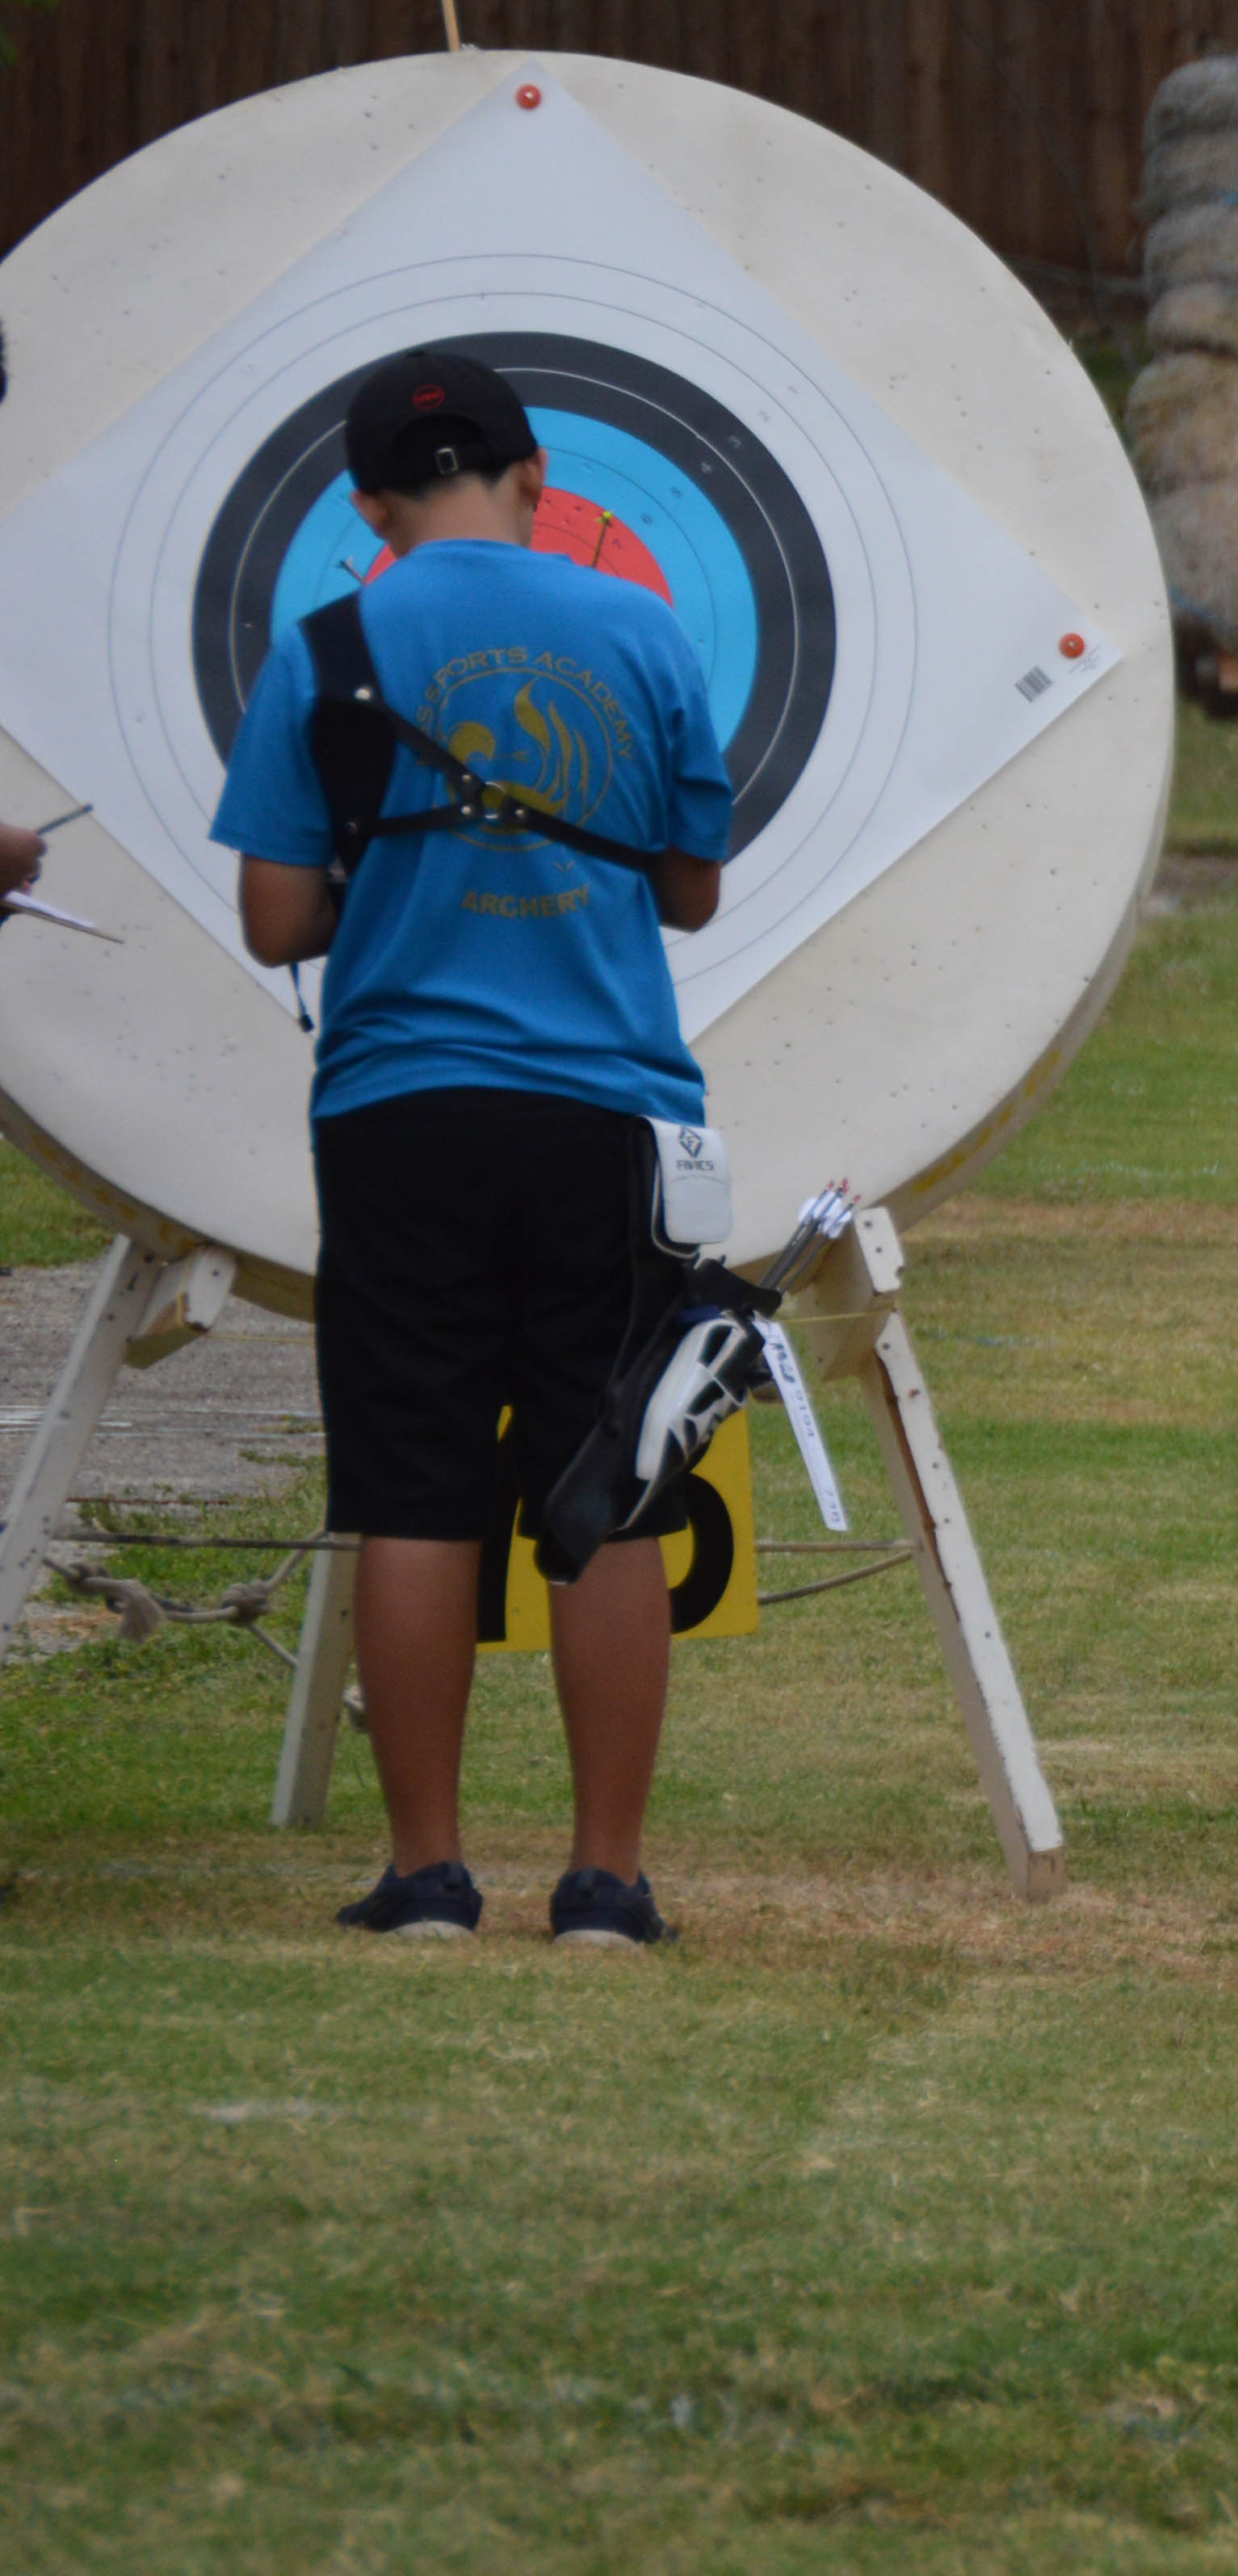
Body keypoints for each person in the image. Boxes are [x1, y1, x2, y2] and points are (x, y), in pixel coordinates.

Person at [210, 348, 732, 1950]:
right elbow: (690, 886)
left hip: (399, 1108)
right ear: (532, 478)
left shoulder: (331, 642)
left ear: (369, 506)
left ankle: (429, 1872)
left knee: (416, 1482)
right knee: (613, 1483)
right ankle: (606, 1880)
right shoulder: (643, 628)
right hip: (603, 1107)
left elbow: (277, 914)